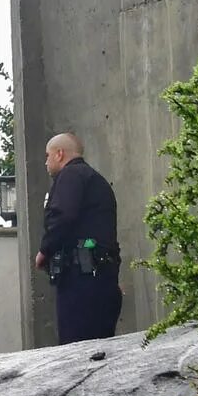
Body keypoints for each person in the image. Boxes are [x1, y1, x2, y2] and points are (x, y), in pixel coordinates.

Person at [34, 132, 122, 343]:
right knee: (100, 349)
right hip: (103, 279)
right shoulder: (96, 180)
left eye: (48, 155)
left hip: (81, 283)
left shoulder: (71, 176)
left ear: (59, 154)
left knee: (76, 352)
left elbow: (63, 216)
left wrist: (44, 250)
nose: (46, 162)